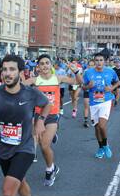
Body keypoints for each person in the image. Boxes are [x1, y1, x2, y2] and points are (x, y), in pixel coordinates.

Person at [0, 55, 51, 196]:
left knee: (8, 191)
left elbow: (47, 104)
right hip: (4, 150)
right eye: (4, 69)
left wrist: (40, 120)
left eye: (12, 69)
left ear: (20, 72)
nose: (7, 73)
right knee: (20, 183)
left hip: (25, 148)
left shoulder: (30, 93)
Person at [23, 54, 82, 186]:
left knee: (44, 145)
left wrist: (76, 71)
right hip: (38, 116)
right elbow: (16, 86)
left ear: (51, 65)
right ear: (38, 67)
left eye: (47, 63)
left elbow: (78, 82)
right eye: (42, 63)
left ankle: (50, 169)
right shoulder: (34, 80)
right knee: (38, 143)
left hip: (52, 115)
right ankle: (53, 161)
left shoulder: (58, 78)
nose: (44, 65)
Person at [82, 53, 120, 159]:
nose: (99, 62)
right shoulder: (88, 73)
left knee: (102, 126)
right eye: (97, 60)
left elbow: (118, 82)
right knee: (96, 128)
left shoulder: (110, 71)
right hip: (94, 102)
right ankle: (100, 147)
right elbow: (83, 87)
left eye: (101, 60)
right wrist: (88, 86)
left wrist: (112, 88)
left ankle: (106, 145)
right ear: (94, 62)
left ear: (105, 61)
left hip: (106, 101)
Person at [82, 60, 95, 127]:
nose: (91, 66)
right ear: (88, 66)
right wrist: (88, 85)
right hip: (87, 91)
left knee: (95, 106)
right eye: (90, 65)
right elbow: (83, 83)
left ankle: (94, 119)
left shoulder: (98, 73)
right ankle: (86, 121)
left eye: (92, 65)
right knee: (86, 106)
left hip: (96, 93)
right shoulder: (86, 73)